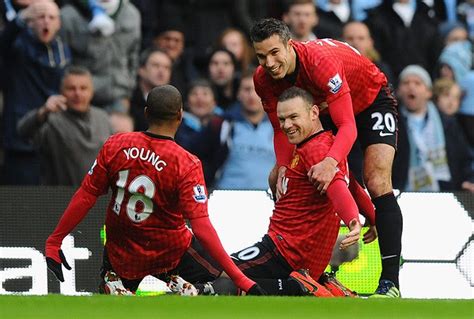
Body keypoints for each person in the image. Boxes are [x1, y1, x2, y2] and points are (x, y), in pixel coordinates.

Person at [44, 84, 263, 296]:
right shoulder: (185, 163)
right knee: (226, 282)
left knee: (113, 298)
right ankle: (189, 290)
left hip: (123, 254)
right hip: (171, 251)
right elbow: (201, 226)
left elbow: (86, 196)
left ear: (147, 113)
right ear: (180, 115)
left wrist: (55, 240)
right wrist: (240, 278)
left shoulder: (116, 145)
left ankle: (114, 281)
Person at [250, 18, 402, 297]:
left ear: (289, 45)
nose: (269, 63)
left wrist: (331, 162)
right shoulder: (263, 79)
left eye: (274, 53)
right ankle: (320, 274)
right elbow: (280, 129)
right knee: (311, 170)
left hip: (370, 99)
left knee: (376, 179)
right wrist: (282, 166)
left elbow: (348, 127)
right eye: (261, 56)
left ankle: (390, 283)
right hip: (327, 108)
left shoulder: (319, 63)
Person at [203, 87, 375, 297]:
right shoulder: (324, 145)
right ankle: (309, 286)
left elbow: (337, 186)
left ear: (313, 113)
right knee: (243, 285)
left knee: (220, 275)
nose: (287, 125)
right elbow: (352, 186)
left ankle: (304, 287)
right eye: (282, 119)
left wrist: (353, 221)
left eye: (294, 117)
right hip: (294, 251)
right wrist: (373, 218)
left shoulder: (316, 150)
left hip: (285, 251)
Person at [0, 0, 71, 185]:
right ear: (30, 22)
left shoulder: (63, 50)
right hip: (21, 138)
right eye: (40, 16)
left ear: (59, 23)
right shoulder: (17, 46)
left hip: (53, 137)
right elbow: (4, 42)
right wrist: (20, 18)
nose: (46, 21)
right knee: (20, 202)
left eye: (51, 17)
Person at [17, 66, 113, 186]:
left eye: (83, 88)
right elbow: (22, 132)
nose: (77, 93)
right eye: (71, 88)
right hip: (62, 197)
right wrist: (42, 112)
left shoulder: (103, 118)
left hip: (98, 198)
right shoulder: (52, 120)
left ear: (91, 92)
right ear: (61, 91)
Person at [393, 65, 474, 192]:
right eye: (406, 83)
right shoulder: (391, 122)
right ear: (398, 91)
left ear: (428, 92)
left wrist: (469, 180)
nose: (411, 87)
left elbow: (464, 158)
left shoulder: (447, 123)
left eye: (418, 83)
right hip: (403, 192)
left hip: (445, 193)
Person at [60, 0, 141, 111]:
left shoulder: (131, 13)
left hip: (118, 96)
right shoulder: (69, 15)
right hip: (80, 97)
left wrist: (128, 92)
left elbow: (133, 56)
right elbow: (62, 60)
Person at [130, 47, 173, 131]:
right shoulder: (128, 100)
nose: (161, 71)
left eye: (166, 67)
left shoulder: (175, 103)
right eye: (156, 65)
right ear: (141, 69)